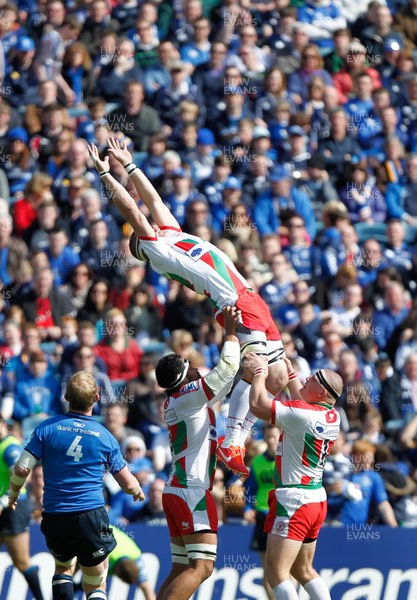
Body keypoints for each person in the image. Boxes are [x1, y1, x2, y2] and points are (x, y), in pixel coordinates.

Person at [88, 140, 288, 477]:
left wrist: (130, 164)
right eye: (145, 230)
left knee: (279, 377)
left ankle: (248, 432)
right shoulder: (158, 251)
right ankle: (234, 439)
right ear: (143, 243)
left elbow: (152, 201)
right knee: (258, 370)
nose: (150, 223)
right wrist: (107, 175)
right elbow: (134, 210)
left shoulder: (169, 234)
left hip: (250, 297)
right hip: (235, 302)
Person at [8, 371, 145, 600]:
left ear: (66, 396)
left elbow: (22, 468)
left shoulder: (46, 428)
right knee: (96, 578)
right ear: (96, 398)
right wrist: (137, 491)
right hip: (90, 515)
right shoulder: (105, 436)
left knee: (63, 567)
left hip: (55, 514)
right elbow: (127, 481)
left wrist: (13, 492)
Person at [154, 306, 241, 600]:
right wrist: (230, 332)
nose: (195, 365)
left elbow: (223, 383)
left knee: (181, 568)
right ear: (183, 375)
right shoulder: (188, 397)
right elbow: (226, 370)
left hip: (178, 487)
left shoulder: (179, 401)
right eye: (188, 363)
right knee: (202, 567)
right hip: (191, 489)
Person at [247, 354, 343, 600]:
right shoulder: (333, 416)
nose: (306, 377)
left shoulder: (302, 414)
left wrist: (259, 373)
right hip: (315, 498)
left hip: (294, 500)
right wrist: (291, 375)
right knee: (304, 569)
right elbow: (304, 403)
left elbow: (257, 404)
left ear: (321, 392)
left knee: (277, 574)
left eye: (312, 378)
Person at [0, 413, 44, 600]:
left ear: (4, 425)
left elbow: (21, 478)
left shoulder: (10, 447)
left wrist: (1, 504)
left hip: (12, 508)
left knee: (21, 562)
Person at [244, 423, 281, 600]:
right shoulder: (258, 462)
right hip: (263, 517)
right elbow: (250, 488)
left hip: (283, 516)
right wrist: (247, 508)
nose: (272, 441)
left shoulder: (288, 460)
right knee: (267, 569)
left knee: (285, 569)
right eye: (269, 438)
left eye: (275, 437)